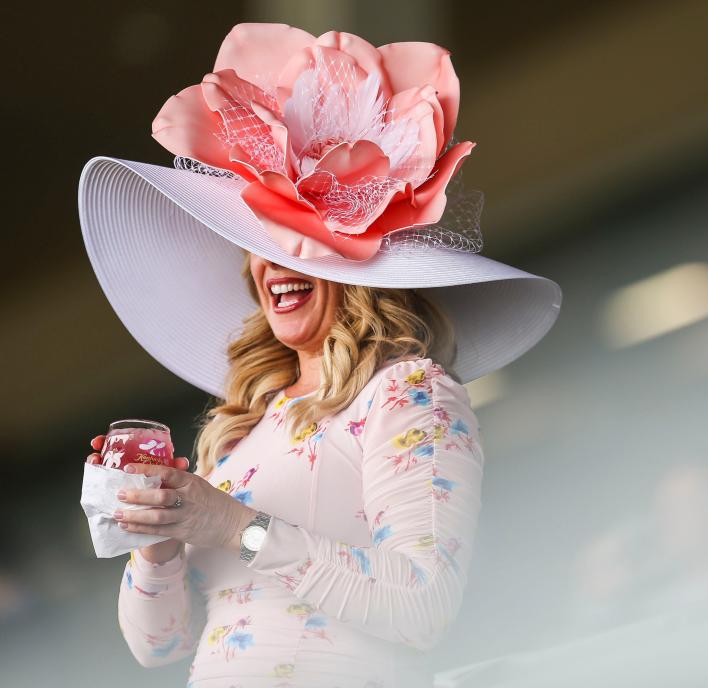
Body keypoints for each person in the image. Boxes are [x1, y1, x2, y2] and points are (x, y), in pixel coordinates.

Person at [78, 23, 560, 687]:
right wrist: (160, 538)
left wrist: (234, 525)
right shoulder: (249, 424)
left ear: (360, 268)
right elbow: (157, 648)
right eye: (258, 240)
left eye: (289, 240)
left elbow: (421, 605)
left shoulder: (409, 393)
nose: (270, 262)